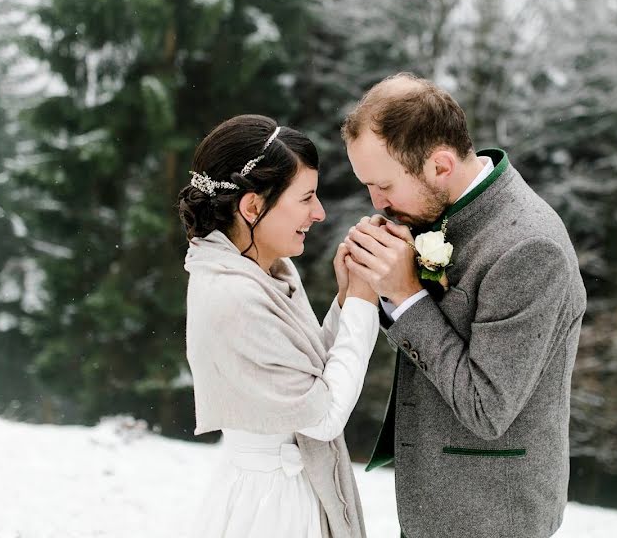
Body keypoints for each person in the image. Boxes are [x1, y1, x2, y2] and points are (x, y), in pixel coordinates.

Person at [340, 73, 587, 538]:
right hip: (435, 510)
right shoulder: (438, 210)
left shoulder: (530, 248)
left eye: (385, 186)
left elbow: (487, 408)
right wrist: (365, 287)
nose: (377, 203)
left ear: (440, 166)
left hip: (491, 517)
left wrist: (407, 294)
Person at [178, 114, 379, 538]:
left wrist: (344, 303)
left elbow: (304, 374)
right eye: (306, 198)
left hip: (291, 489)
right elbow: (320, 416)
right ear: (252, 206)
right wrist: (364, 302)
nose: (320, 213)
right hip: (272, 509)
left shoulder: (265, 272)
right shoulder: (232, 295)